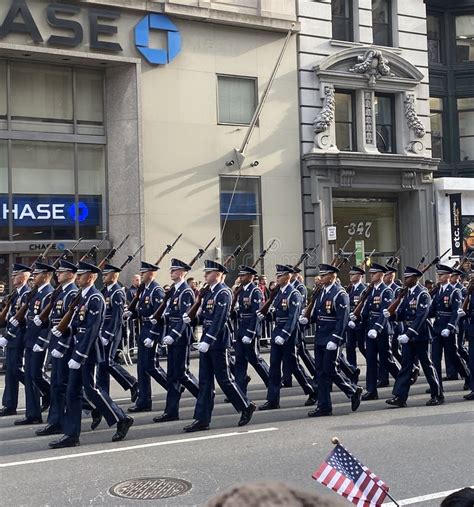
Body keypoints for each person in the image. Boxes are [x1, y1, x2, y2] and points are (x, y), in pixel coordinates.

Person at [48, 261, 133, 448]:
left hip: (89, 353)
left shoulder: (95, 298)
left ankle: (122, 418)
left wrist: (78, 356)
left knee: (92, 390)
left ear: (91, 277)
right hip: (78, 350)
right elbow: (78, 326)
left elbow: (92, 330)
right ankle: (71, 434)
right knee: (72, 393)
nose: (77, 278)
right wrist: (65, 332)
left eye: (81, 275)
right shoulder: (81, 297)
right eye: (77, 275)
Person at [183, 260, 256, 432]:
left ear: (217, 274)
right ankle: (202, 419)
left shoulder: (224, 293)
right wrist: (193, 319)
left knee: (225, 380)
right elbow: (207, 316)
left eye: (208, 272)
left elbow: (220, 319)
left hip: (218, 342)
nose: (205, 275)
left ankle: (245, 406)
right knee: (205, 382)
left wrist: (207, 340)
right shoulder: (209, 292)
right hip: (207, 342)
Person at [303, 264, 362, 417]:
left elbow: (342, 320)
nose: (320, 278)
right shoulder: (322, 292)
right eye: (321, 276)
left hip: (331, 338)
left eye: (323, 276)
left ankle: (353, 391)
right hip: (321, 337)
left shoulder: (340, 293)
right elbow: (318, 313)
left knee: (330, 370)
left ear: (332, 276)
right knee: (321, 373)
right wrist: (307, 319)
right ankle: (324, 406)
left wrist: (335, 339)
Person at [258, 265, 316, 411]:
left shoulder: (294, 293)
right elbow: (279, 314)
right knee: (274, 368)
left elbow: (293, 318)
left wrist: (284, 335)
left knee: (293, 366)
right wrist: (265, 315)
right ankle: (272, 400)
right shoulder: (278, 293)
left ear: (288, 276)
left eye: (281, 275)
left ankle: (312, 390)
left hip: (289, 336)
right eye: (277, 275)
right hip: (277, 333)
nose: (277, 277)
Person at [386, 266, 442, 408]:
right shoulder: (407, 293)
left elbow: (421, 316)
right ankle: (400, 396)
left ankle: (437, 394)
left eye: (408, 277)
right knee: (406, 366)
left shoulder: (423, 294)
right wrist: (392, 315)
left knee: (427, 365)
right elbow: (404, 314)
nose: (405, 280)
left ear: (416, 278)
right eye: (404, 277)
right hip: (408, 335)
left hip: (420, 335)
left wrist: (409, 333)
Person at [35, 260, 78, 437]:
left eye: (61, 272)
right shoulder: (61, 293)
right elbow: (54, 319)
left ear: (70, 274)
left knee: (63, 384)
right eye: (57, 272)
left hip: (65, 344)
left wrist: (61, 345)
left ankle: (63, 420)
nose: (57, 274)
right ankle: (55, 421)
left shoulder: (72, 293)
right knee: (56, 384)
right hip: (56, 341)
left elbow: (71, 322)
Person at [153, 258, 199, 423]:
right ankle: (171, 411)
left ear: (181, 273)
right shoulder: (174, 290)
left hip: (180, 337)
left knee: (182, 374)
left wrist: (173, 335)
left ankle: (204, 396)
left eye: (174, 270)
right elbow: (171, 313)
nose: (171, 272)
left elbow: (184, 317)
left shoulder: (186, 291)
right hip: (172, 337)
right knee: (172, 375)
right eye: (171, 270)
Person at [13, 261, 54, 426]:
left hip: (39, 341)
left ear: (45, 276)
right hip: (30, 340)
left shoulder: (49, 294)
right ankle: (33, 413)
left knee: (36, 375)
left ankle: (53, 395)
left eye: (36, 274)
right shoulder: (35, 293)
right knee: (30, 377)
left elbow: (50, 322)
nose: (33, 277)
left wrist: (42, 341)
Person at [351, 263, 398, 401]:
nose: (371, 275)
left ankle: (402, 381)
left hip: (381, 331)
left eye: (374, 273)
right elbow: (366, 310)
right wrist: (357, 318)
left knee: (386, 360)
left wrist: (377, 328)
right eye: (371, 273)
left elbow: (385, 312)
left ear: (382, 275)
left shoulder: (386, 291)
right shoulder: (371, 290)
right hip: (370, 330)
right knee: (370, 361)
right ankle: (371, 390)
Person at [126, 261, 167, 413]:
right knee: (142, 367)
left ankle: (173, 387)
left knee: (151, 367)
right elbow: (144, 310)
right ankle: (144, 400)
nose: (141, 275)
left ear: (150, 273)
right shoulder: (144, 289)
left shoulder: (157, 291)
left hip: (152, 332)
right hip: (144, 330)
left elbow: (160, 316)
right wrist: (132, 313)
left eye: (143, 273)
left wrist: (153, 336)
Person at [96, 264, 138, 412]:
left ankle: (132, 383)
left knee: (107, 361)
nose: (103, 277)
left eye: (106, 275)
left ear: (114, 276)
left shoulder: (117, 292)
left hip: (112, 333)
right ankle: (103, 395)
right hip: (103, 332)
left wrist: (108, 335)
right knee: (102, 364)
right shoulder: (105, 291)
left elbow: (116, 317)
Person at [429, 264, 469, 399]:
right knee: (435, 359)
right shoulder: (439, 291)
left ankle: (467, 376)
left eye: (441, 275)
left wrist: (450, 327)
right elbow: (432, 311)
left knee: (453, 356)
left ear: (448, 276)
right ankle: (437, 390)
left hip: (448, 330)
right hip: (437, 329)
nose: (439, 277)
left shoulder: (454, 292)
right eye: (438, 275)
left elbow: (456, 312)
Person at [232, 265, 269, 396]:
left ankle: (271, 382)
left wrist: (250, 333)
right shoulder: (242, 291)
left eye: (243, 275)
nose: (240, 277)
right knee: (239, 362)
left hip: (250, 332)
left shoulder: (255, 291)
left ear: (250, 276)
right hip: (241, 330)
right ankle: (240, 392)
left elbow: (256, 314)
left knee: (255, 360)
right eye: (240, 275)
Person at [0, 264, 31, 417]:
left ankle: (39, 390)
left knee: (17, 370)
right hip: (13, 337)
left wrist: (8, 337)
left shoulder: (26, 294)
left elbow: (22, 322)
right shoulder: (16, 293)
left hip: (20, 338)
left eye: (16, 275)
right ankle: (9, 404)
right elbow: (11, 318)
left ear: (24, 277)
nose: (12, 278)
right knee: (10, 372)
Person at [282, 267, 315, 392]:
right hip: (290, 325)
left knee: (301, 352)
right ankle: (287, 377)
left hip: (297, 322)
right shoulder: (286, 288)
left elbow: (298, 305)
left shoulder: (299, 288)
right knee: (292, 354)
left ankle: (313, 372)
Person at [345, 266, 367, 369]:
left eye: (353, 274)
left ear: (359, 275)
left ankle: (377, 367)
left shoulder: (363, 289)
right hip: (350, 323)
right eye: (350, 274)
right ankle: (352, 371)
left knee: (363, 348)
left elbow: (364, 307)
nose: (350, 276)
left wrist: (358, 319)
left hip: (360, 324)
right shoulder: (351, 289)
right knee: (349, 348)